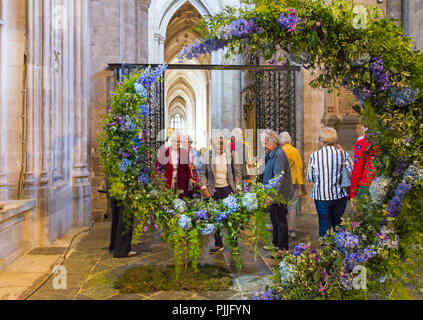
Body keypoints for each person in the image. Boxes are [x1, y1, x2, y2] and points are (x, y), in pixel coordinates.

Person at [307, 127, 352, 238]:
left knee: (324, 225)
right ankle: (339, 252)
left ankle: (325, 252)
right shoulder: (343, 154)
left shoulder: (315, 156)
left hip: (321, 196)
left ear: (322, 142)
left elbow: (310, 177)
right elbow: (350, 173)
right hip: (339, 196)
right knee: (338, 225)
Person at [200, 133, 242, 254]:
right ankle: (218, 244)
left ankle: (234, 244)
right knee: (215, 217)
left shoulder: (232, 154)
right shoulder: (208, 155)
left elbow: (237, 173)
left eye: (222, 147)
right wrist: (204, 187)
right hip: (213, 190)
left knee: (231, 217)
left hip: (228, 188)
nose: (221, 150)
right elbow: (203, 173)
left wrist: (238, 188)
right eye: (218, 148)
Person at [261, 129, 294, 256]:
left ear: (272, 142)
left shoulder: (279, 153)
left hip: (279, 193)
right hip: (272, 192)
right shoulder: (270, 153)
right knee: (274, 219)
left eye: (265, 142)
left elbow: (278, 177)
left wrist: (271, 195)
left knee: (280, 220)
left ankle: (283, 248)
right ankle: (276, 244)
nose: (263, 145)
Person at [155, 132, 195, 198]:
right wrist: (158, 179)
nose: (177, 143)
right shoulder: (165, 151)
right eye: (175, 141)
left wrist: (190, 178)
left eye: (179, 141)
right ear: (172, 141)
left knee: (179, 199)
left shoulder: (183, 152)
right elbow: (157, 166)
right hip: (167, 180)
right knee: (168, 199)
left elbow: (186, 168)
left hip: (180, 180)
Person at [279, 131, 304, 239]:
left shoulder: (281, 151)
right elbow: (300, 165)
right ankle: (292, 230)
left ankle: (281, 227)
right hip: (295, 181)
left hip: (285, 182)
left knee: (281, 206)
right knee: (292, 206)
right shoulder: (295, 150)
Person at [104, 179, 136, 258]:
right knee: (125, 217)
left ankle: (115, 245)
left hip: (114, 185)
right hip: (124, 185)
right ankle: (122, 250)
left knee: (117, 216)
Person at [350, 127, 380, 203]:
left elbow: (357, 170)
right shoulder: (385, 142)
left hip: (365, 185)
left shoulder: (361, 142)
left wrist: (353, 193)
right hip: (382, 184)